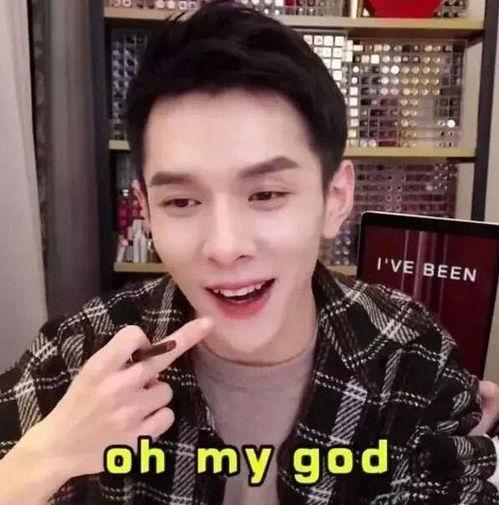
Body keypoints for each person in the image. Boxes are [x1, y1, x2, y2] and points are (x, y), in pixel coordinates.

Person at [0, 1, 498, 503]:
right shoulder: (81, 356)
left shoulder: (409, 358)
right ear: (146, 211)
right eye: (182, 202)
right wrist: (45, 459)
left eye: (266, 194)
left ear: (335, 198)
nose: (225, 247)